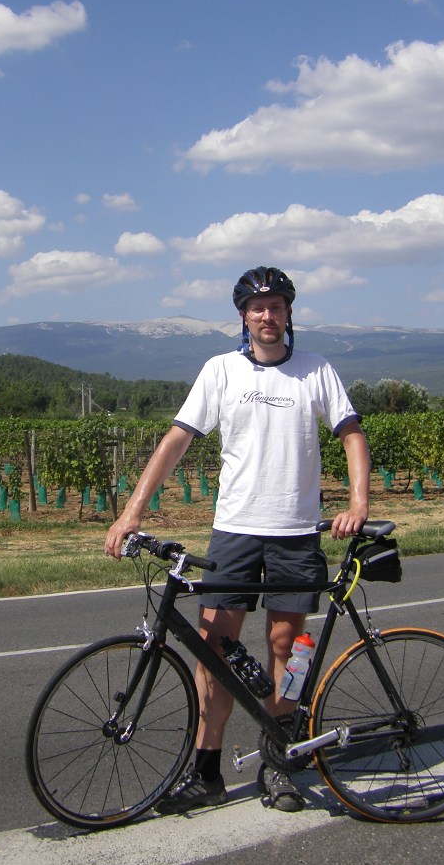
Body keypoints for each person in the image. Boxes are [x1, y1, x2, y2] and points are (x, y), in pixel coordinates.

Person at [104, 266, 370, 814]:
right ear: (243, 317)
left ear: (288, 314)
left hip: (295, 534)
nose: (267, 316)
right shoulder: (220, 370)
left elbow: (351, 433)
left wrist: (359, 503)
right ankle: (207, 771)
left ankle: (281, 760)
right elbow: (177, 440)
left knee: (288, 650)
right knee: (213, 652)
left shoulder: (316, 371)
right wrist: (132, 511)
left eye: (277, 307)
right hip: (235, 532)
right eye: (258, 308)